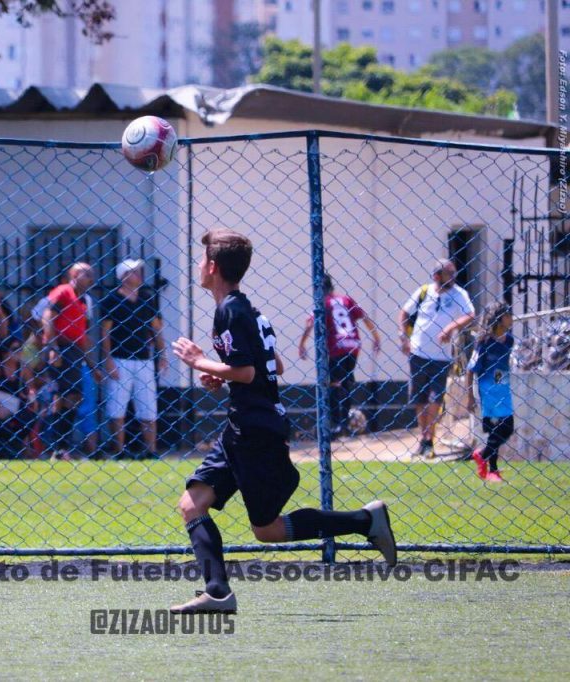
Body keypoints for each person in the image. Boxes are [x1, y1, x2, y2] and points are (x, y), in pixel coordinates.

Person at [170, 229, 396, 614]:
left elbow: (245, 372)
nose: (197, 265)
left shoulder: (232, 310)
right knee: (192, 505)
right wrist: (217, 374)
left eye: (201, 259)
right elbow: (271, 366)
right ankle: (218, 593)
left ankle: (365, 521)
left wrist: (197, 361)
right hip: (242, 426)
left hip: (255, 433)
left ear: (212, 266)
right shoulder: (246, 310)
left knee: (268, 530)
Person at [398, 259, 476, 459]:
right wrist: (404, 336)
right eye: (449, 273)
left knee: (435, 399)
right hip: (418, 352)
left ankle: (429, 440)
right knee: (419, 399)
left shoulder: (459, 294)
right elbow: (405, 313)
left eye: (453, 272)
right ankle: (423, 440)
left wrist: (451, 328)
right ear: (436, 276)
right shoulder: (424, 292)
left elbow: (470, 314)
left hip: (441, 357)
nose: (453, 277)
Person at [297, 274, 382, 439]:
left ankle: (337, 424)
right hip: (353, 345)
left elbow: (310, 323)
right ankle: (345, 421)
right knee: (345, 383)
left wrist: (302, 344)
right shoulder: (346, 300)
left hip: (337, 346)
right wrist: (376, 337)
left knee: (333, 384)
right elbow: (364, 317)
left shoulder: (322, 303)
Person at [100, 259, 167, 459]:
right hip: (120, 359)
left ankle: (151, 451)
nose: (139, 275)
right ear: (124, 276)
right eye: (135, 272)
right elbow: (105, 333)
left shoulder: (148, 298)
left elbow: (156, 329)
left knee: (148, 406)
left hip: (144, 360)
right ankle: (119, 451)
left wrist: (162, 356)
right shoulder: (111, 300)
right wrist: (108, 359)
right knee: (117, 406)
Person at [40, 263, 98, 459]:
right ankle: (58, 447)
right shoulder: (63, 292)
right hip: (61, 348)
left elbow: (83, 336)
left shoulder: (84, 301)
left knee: (73, 396)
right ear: (72, 275)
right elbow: (48, 317)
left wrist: (92, 365)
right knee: (63, 396)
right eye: (85, 273)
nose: (90, 276)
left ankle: (62, 446)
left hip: (74, 351)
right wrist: (53, 348)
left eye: (91, 274)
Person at [466, 303, 515, 484]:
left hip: (503, 388)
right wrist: (470, 396)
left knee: (506, 428)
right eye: (509, 315)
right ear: (500, 318)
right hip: (488, 390)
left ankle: (483, 456)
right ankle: (492, 470)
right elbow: (470, 369)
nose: (511, 319)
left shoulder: (509, 340)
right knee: (498, 428)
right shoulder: (484, 342)